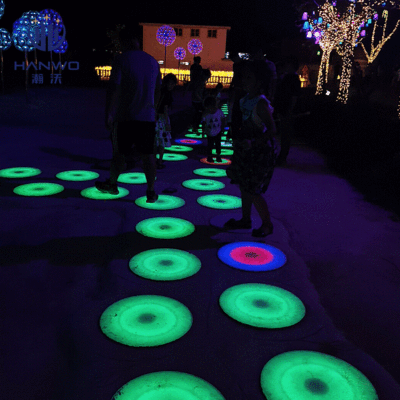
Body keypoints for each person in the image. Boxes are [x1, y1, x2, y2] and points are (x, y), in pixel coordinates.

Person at [95, 26, 161, 202]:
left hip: (125, 116)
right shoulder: (152, 61)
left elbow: (114, 88)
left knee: (119, 154)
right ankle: (151, 191)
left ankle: (112, 184)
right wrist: (153, 109)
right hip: (147, 117)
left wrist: (109, 113)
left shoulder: (121, 60)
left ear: (126, 41)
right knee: (148, 155)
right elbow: (158, 90)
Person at [224, 60, 278, 237]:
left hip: (259, 153)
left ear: (259, 82)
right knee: (244, 185)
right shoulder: (245, 99)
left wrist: (254, 142)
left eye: (249, 78)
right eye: (243, 77)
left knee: (253, 189)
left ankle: (267, 224)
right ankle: (245, 219)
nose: (244, 81)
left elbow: (272, 130)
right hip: (246, 150)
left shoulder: (261, 104)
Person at [273, 56, 301, 166]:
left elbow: (294, 96)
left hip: (286, 110)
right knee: (283, 134)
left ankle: (282, 157)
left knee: (285, 134)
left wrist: (290, 109)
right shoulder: (287, 77)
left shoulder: (292, 79)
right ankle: (281, 156)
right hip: (283, 108)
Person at [154, 73, 177, 169]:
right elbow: (165, 109)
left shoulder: (159, 91)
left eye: (173, 84)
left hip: (155, 118)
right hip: (162, 119)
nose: (171, 86)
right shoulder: (167, 94)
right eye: (170, 84)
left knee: (156, 140)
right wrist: (167, 123)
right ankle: (159, 161)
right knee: (162, 141)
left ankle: (153, 160)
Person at [201, 96, 225, 163]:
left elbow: (223, 119)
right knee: (210, 144)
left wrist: (222, 128)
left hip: (218, 131)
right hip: (209, 132)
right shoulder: (205, 114)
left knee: (218, 144)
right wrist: (203, 129)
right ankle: (210, 156)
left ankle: (218, 155)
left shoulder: (219, 112)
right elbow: (203, 122)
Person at [191, 68, 211, 134]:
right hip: (197, 101)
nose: (207, 79)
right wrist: (201, 100)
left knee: (198, 115)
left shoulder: (200, 82)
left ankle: (196, 127)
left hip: (197, 100)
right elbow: (196, 92)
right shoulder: (200, 83)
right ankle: (196, 128)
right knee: (198, 115)